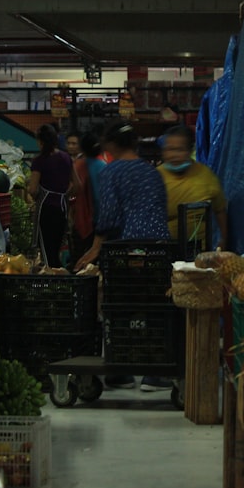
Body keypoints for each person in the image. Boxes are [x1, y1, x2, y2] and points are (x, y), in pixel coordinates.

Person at [74, 120, 171, 392]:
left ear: (112, 145)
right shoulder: (152, 172)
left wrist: (95, 247)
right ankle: (155, 373)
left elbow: (109, 215)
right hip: (158, 246)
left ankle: (121, 371)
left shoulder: (111, 171)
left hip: (127, 247)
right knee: (155, 305)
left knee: (120, 304)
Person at [157, 124, 228, 253]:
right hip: (164, 249)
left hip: (199, 251)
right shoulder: (155, 178)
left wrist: (223, 239)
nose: (174, 155)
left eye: (179, 150)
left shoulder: (205, 176)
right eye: (170, 149)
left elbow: (220, 210)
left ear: (190, 151)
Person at [28, 123, 74, 268]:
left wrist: (36, 197)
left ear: (40, 141)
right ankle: (59, 276)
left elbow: (33, 189)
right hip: (62, 208)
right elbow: (76, 184)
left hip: (46, 209)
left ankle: (51, 281)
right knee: (56, 249)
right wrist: (63, 195)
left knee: (46, 251)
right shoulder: (66, 157)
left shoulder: (39, 161)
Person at [68, 131, 107, 268]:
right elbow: (100, 197)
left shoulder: (77, 165)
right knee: (96, 261)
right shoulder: (103, 166)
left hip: (79, 221)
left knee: (78, 259)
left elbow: (70, 191)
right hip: (99, 222)